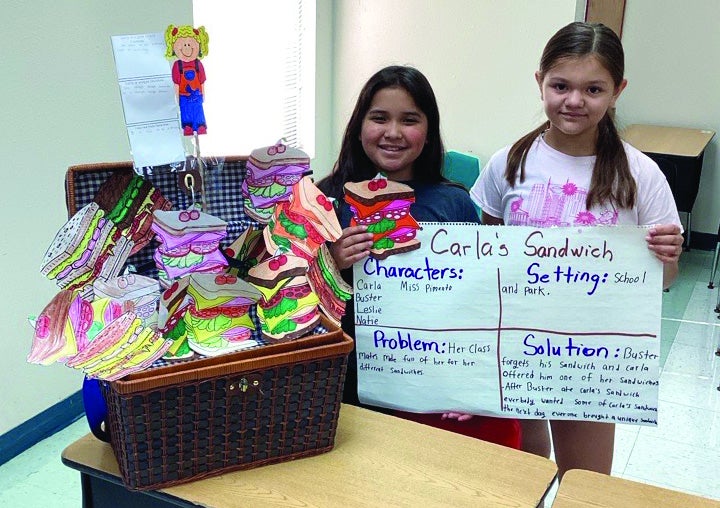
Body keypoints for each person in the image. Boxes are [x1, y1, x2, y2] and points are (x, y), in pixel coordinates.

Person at [470, 22, 683, 477]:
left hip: (591, 357)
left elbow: (663, 282)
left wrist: (666, 258)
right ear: (539, 82)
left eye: (593, 89)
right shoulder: (507, 163)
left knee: (584, 486)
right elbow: (484, 252)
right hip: (515, 348)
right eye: (560, 86)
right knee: (516, 477)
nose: (574, 101)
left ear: (617, 91)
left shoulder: (640, 174)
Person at [317, 65, 521, 448]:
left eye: (409, 120)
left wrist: (472, 381)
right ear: (359, 125)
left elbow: (478, 304)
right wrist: (333, 263)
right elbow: (293, 296)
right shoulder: (324, 198)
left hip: (428, 386)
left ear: (428, 133)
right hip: (345, 383)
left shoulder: (453, 202)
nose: (393, 132)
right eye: (379, 118)